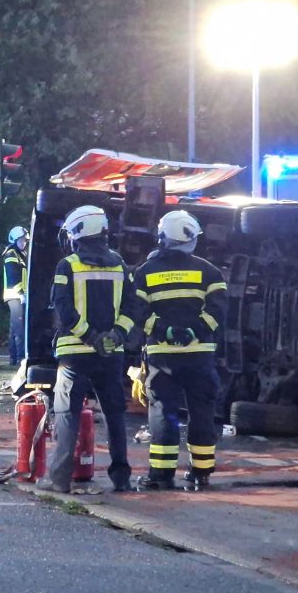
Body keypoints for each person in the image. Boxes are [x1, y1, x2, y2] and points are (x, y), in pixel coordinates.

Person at [35, 205, 135, 493]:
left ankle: (60, 479)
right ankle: (121, 478)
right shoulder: (120, 265)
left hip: (74, 354)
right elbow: (132, 307)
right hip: (111, 355)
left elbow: (63, 309)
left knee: (67, 414)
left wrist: (90, 337)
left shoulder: (67, 265)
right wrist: (115, 335)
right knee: (115, 415)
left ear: (77, 233)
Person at [131, 210, 227, 491]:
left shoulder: (145, 272)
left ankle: (161, 475)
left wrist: (167, 332)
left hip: (162, 356)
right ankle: (201, 472)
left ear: (163, 237)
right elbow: (218, 312)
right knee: (202, 412)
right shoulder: (210, 272)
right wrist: (194, 331)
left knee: (164, 412)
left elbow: (139, 313)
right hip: (200, 355)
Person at [2, 226, 29, 366]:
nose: (24, 243)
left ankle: (13, 358)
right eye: (21, 240)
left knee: (14, 328)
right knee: (19, 329)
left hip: (18, 296)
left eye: (25, 240)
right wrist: (21, 294)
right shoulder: (11, 254)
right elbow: (13, 277)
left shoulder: (19, 254)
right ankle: (21, 358)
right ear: (14, 240)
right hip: (15, 295)